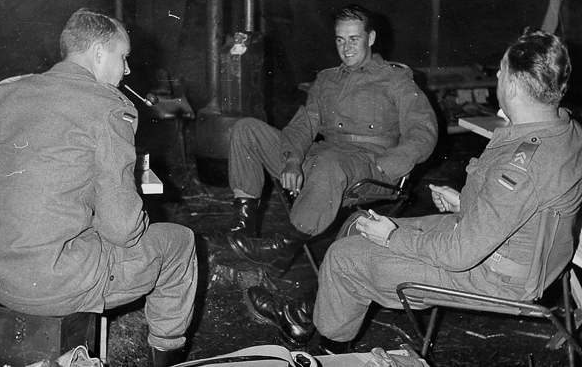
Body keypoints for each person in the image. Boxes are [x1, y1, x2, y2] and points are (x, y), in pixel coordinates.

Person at [244, 27, 582, 353]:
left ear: (514, 86)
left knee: (344, 259)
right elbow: (523, 209)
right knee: (358, 224)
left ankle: (330, 350)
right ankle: (308, 314)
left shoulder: (522, 166)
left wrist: (393, 237)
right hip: (506, 252)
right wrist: (464, 202)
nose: (496, 76)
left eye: (502, 71)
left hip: (492, 276)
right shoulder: (565, 131)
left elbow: (461, 252)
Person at [0, 8, 197, 367]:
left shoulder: (1, 93)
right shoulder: (107, 107)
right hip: (51, 282)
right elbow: (121, 229)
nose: (126, 71)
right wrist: (133, 211)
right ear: (98, 53)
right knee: (179, 243)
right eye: (123, 58)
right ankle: (167, 357)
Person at [226, 4, 438, 273]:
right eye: (340, 40)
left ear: (371, 38)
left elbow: (423, 131)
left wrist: (390, 164)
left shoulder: (395, 80)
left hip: (370, 166)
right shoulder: (327, 80)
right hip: (324, 160)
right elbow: (304, 124)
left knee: (327, 164)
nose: (346, 48)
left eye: (354, 39)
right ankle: (243, 228)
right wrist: (292, 160)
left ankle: (282, 249)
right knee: (246, 129)